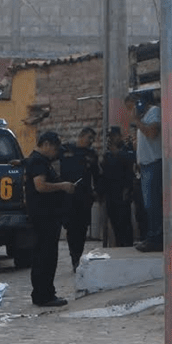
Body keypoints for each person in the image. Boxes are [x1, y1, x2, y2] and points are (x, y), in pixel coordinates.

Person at [24, 130, 77, 307]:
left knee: (45, 255)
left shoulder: (39, 161)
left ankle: (45, 292)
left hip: (46, 216)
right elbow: (40, 186)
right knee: (45, 257)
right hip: (43, 216)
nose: (56, 153)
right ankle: (43, 294)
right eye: (54, 148)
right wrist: (62, 186)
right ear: (46, 144)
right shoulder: (38, 161)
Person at [125, 90, 163, 252]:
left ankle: (156, 239)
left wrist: (136, 121)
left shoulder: (154, 111)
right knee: (147, 205)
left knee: (151, 204)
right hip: (146, 165)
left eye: (131, 107)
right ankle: (151, 236)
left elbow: (153, 133)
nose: (130, 112)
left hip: (154, 164)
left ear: (139, 103)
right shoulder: (143, 118)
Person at [58, 126, 101, 271]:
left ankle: (78, 257)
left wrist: (97, 193)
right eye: (89, 138)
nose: (91, 141)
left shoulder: (91, 155)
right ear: (81, 136)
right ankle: (73, 257)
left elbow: (97, 176)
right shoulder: (66, 150)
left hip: (84, 197)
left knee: (82, 229)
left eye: (92, 139)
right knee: (70, 228)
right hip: (68, 197)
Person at [100, 126, 136, 248]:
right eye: (110, 137)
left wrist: (117, 153)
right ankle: (119, 245)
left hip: (122, 192)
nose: (111, 139)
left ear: (119, 136)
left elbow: (132, 162)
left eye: (114, 136)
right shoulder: (108, 153)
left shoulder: (126, 149)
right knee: (114, 222)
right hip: (110, 193)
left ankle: (127, 246)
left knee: (124, 222)